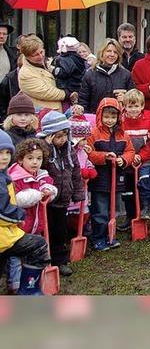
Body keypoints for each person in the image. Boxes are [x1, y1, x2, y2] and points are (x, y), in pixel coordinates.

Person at [0, 130, 51, 295]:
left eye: (8, 152)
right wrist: (19, 215)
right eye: (0, 153)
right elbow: (3, 212)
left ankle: (28, 290)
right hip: (5, 235)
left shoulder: (4, 175)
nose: (5, 157)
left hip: (7, 233)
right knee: (38, 246)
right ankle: (28, 291)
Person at [37, 111, 84, 277]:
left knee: (60, 231)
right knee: (45, 230)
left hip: (62, 200)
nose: (62, 139)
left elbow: (76, 172)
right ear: (49, 136)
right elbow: (39, 166)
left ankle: (60, 260)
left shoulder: (69, 150)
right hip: (46, 201)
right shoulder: (43, 152)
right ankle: (43, 260)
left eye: (65, 134)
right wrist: (47, 146)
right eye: (58, 136)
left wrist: (78, 192)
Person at [87, 98, 135, 251]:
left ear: (118, 117)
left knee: (112, 210)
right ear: (100, 116)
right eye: (106, 117)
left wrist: (124, 160)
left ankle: (111, 236)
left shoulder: (123, 135)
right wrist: (103, 157)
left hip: (116, 178)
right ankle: (99, 238)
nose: (110, 120)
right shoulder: (93, 133)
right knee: (100, 210)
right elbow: (88, 154)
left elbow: (130, 151)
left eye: (113, 117)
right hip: (99, 179)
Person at [119, 89, 150, 229]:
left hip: (144, 161)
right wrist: (129, 157)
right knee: (127, 190)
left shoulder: (148, 124)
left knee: (145, 183)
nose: (133, 109)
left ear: (142, 106)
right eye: (130, 106)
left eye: (136, 106)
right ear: (124, 107)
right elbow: (120, 143)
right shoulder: (121, 125)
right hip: (127, 162)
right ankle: (130, 215)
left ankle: (145, 209)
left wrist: (141, 156)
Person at [78, 38, 136, 114]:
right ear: (102, 53)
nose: (112, 54)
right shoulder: (90, 74)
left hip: (119, 120)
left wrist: (125, 99)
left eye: (115, 52)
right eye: (108, 51)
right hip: (95, 119)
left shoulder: (126, 75)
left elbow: (134, 101)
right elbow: (83, 101)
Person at [18, 35, 70, 112]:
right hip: (42, 114)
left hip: (56, 111)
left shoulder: (47, 63)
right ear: (27, 56)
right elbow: (46, 92)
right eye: (36, 55)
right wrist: (66, 94)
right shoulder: (25, 73)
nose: (41, 56)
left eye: (42, 52)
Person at [51, 36, 86, 105]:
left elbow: (64, 72)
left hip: (66, 86)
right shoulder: (79, 58)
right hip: (77, 85)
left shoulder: (63, 59)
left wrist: (53, 70)